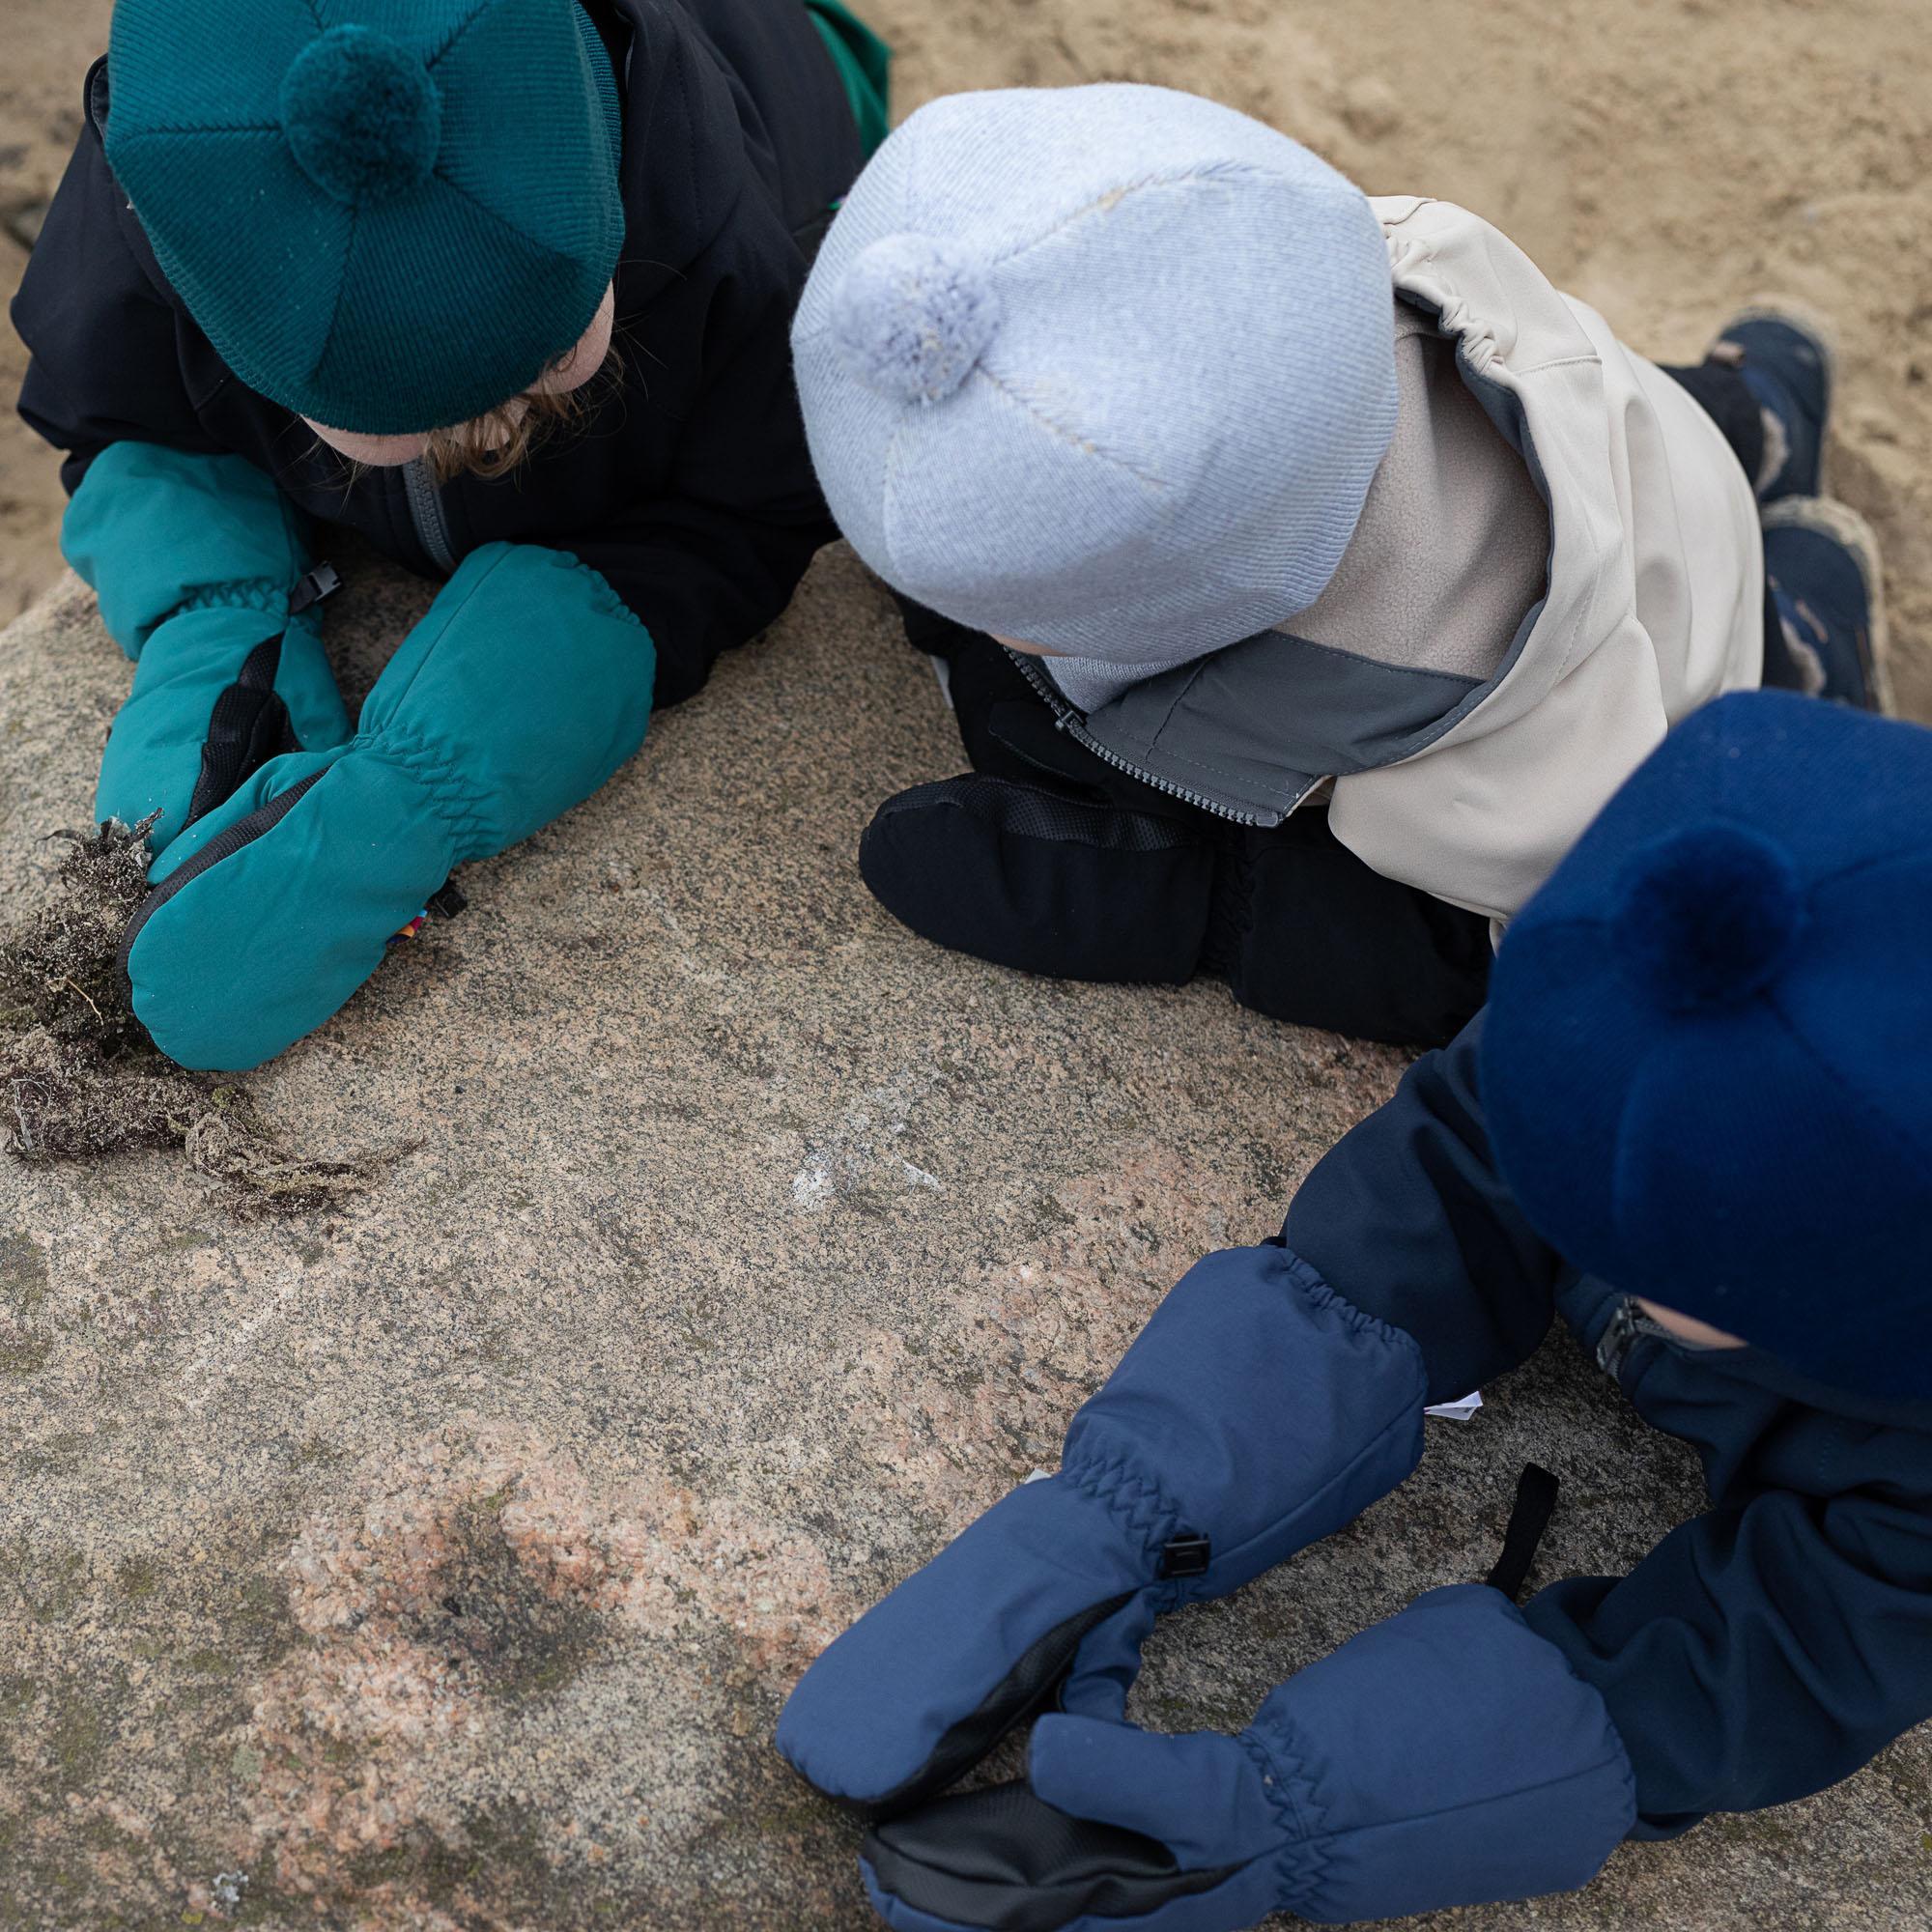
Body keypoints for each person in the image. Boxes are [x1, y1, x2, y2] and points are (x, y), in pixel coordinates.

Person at [774, 686, 1932, 1932]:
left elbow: (1752, 1667)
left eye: (1679, 1271)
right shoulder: (1655, 970)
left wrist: (1301, 1814)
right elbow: (1441, 1181)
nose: (1586, 1233)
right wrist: (1121, 1512)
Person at [790, 83, 1889, 1048]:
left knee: (1744, 701)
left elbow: (1523, 948)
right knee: (1655, 414)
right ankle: (1762, 415)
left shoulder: (1450, 757)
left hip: (1675, 675)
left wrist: (1211, 908)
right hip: (1625, 431)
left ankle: (1806, 633)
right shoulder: (1374, 258)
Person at [11, 0, 889, 1071]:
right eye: (403, 422)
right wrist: (211, 623)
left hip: (792, 75)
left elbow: (743, 513)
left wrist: (423, 782)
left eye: (551, 358)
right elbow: (117, 414)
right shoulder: (148, 193)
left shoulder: (742, 242)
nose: (501, 428)